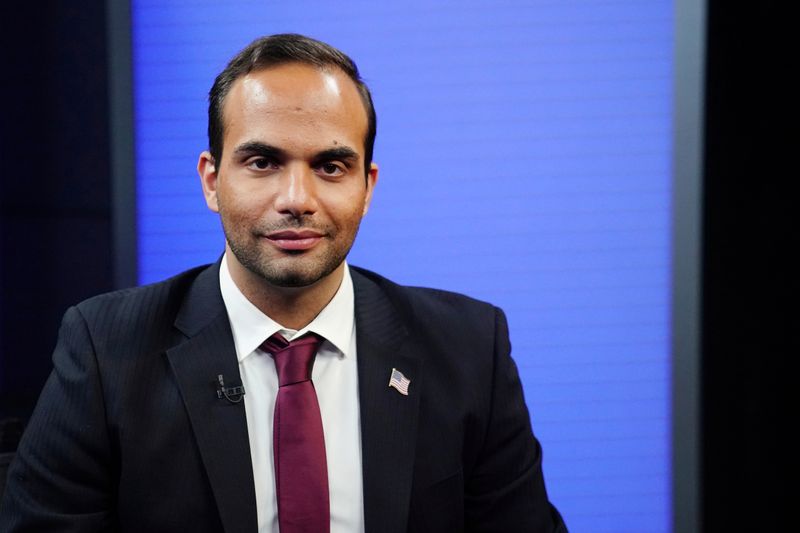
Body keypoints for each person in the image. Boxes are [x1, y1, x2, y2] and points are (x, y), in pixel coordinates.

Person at [0, 34, 566, 532]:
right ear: (212, 180)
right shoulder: (104, 348)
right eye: (263, 162)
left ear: (367, 187)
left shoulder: (470, 349)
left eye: (331, 166)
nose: (297, 200)